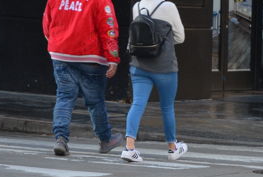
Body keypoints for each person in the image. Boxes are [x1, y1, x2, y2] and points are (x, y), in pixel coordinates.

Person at [42, 0, 123, 157]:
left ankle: (60, 139)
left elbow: (47, 25)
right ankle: (105, 140)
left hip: (61, 53)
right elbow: (109, 30)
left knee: (64, 97)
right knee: (95, 101)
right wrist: (113, 58)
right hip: (91, 56)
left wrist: (57, 42)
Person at [121, 0, 188, 163]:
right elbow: (180, 37)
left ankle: (129, 148)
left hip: (139, 65)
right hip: (164, 66)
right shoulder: (169, 7)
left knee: (137, 104)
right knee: (167, 107)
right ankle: (173, 148)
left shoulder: (137, 6)